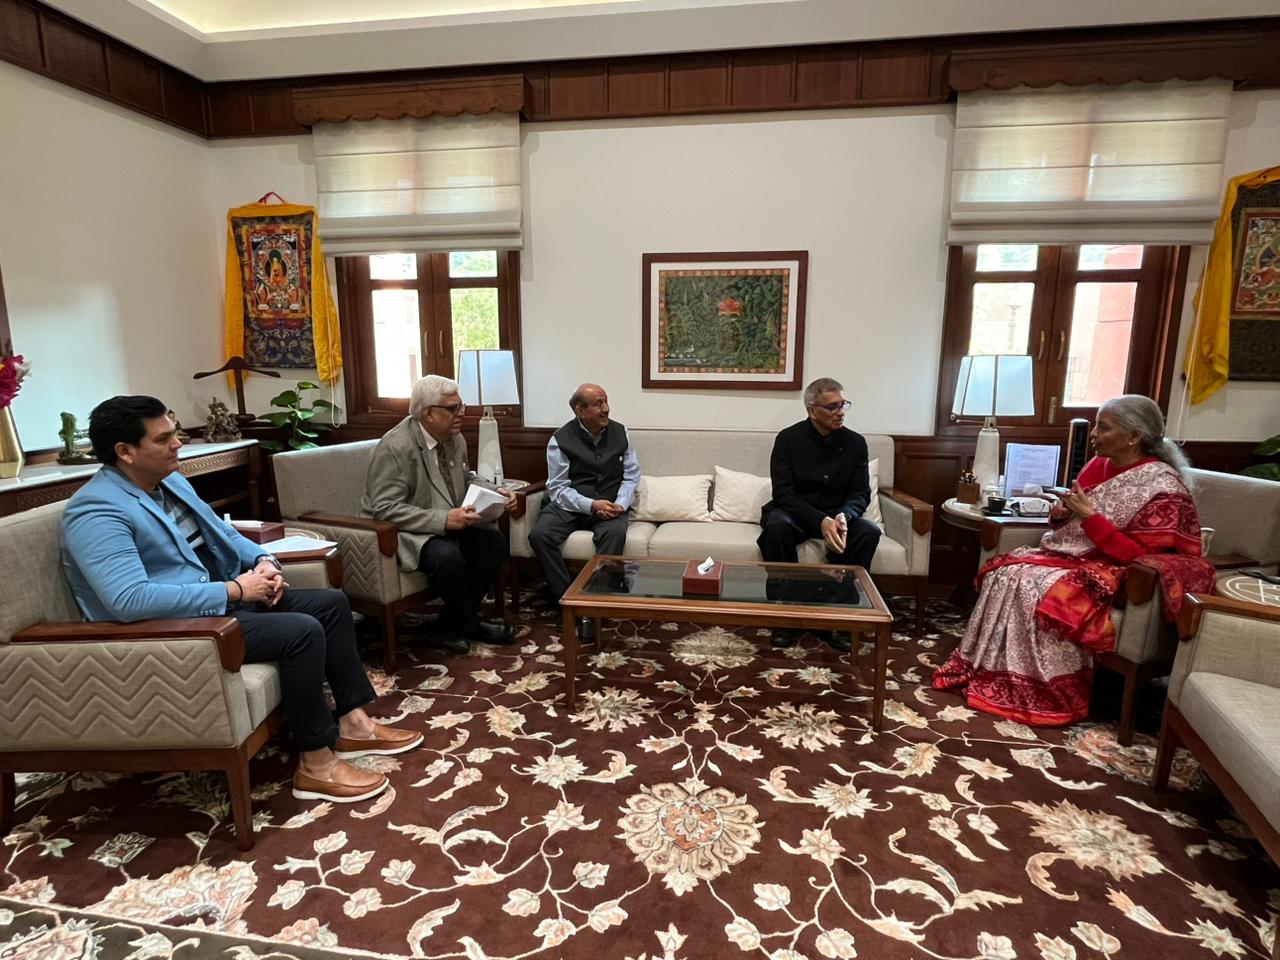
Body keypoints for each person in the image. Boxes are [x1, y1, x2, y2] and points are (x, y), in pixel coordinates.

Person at [61, 396, 422, 805]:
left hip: (220, 601)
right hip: (175, 627)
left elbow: (225, 533)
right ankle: (315, 764)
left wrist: (265, 562)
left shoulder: (170, 481)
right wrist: (235, 590)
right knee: (300, 631)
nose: (178, 444)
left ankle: (354, 722)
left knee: (329, 604)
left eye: (175, 433)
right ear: (124, 452)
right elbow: (128, 600)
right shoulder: (97, 511)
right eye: (164, 439)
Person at [932, 394, 1216, 727]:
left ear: (1134, 436)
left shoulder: (1163, 486)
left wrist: (1090, 516)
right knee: (1006, 573)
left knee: (1036, 584)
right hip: (1070, 555)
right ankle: (992, 668)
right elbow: (1072, 522)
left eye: (1103, 427)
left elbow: (1146, 557)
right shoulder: (1099, 464)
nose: (1093, 434)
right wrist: (1061, 514)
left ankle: (1049, 688)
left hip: (1118, 569)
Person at [361, 374, 517, 653]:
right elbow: (383, 508)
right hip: (406, 531)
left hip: (449, 522)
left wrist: (498, 491)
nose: (461, 414)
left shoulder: (453, 439)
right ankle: (467, 623)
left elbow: (465, 478)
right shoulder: (396, 447)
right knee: (447, 557)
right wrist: (443, 520)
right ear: (428, 413)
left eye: (461, 406)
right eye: (452, 408)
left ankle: (450, 623)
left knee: (493, 542)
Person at [759, 377, 881, 651]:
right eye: (833, 407)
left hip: (838, 516)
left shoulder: (856, 443)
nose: (841, 412)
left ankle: (835, 616)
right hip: (797, 514)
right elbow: (784, 494)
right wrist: (820, 521)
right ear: (812, 410)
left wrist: (844, 517)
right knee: (777, 526)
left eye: (843, 405)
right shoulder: (788, 439)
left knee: (869, 532)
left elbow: (861, 493)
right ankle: (786, 616)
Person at [529, 383, 640, 640]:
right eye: (599, 404)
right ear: (580, 410)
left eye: (606, 401)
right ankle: (567, 602)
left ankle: (595, 607)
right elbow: (557, 487)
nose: (606, 409)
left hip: (611, 504)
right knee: (540, 535)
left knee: (613, 534)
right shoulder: (559, 439)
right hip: (569, 505)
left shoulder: (621, 432)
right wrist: (590, 504)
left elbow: (631, 476)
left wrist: (619, 504)